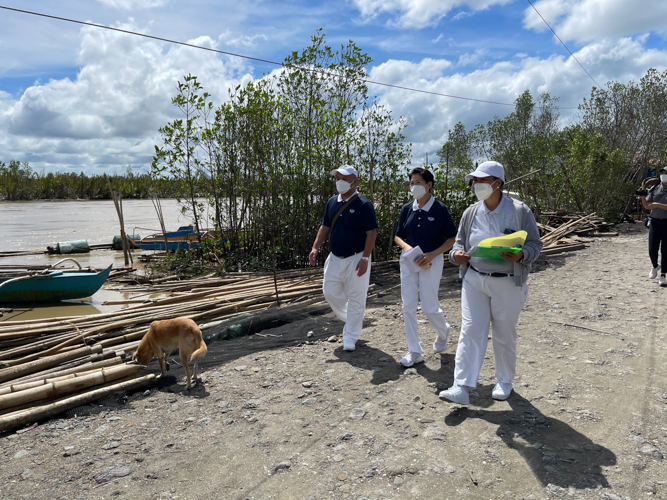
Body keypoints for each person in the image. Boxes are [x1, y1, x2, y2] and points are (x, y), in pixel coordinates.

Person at [438, 161, 543, 405]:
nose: (477, 185)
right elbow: (458, 244)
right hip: (474, 279)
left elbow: (535, 245)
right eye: (475, 180)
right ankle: (461, 386)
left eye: (482, 180)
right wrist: (457, 256)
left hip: (508, 281)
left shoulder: (519, 211)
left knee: (504, 332)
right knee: (470, 330)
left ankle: (504, 380)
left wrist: (521, 254)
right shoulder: (471, 212)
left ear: (498, 183)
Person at [309, 165, 378, 351]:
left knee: (357, 297)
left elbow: (371, 232)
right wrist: (315, 247)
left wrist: (365, 258)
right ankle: (354, 318)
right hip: (335, 257)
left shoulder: (363, 204)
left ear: (355, 181)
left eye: (344, 179)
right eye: (337, 178)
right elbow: (325, 227)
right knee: (329, 291)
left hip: (356, 257)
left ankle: (350, 336)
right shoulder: (332, 202)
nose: (339, 182)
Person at [394, 168, 457, 367]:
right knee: (408, 306)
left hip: (432, 261)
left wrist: (433, 254)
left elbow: (452, 238)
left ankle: (442, 331)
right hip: (408, 261)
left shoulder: (440, 209)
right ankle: (414, 351)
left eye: (418, 182)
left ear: (429, 185)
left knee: (429, 307)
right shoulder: (407, 209)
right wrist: (406, 247)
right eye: (412, 182)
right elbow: (398, 236)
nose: (414, 186)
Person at [638, 167, 667, 287]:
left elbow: (655, 205)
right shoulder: (655, 188)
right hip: (655, 222)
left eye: (666, 173)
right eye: (663, 173)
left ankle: (663, 276)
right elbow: (647, 206)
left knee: (666, 251)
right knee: (652, 249)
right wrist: (642, 197)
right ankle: (655, 266)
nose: (664, 175)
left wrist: (657, 204)